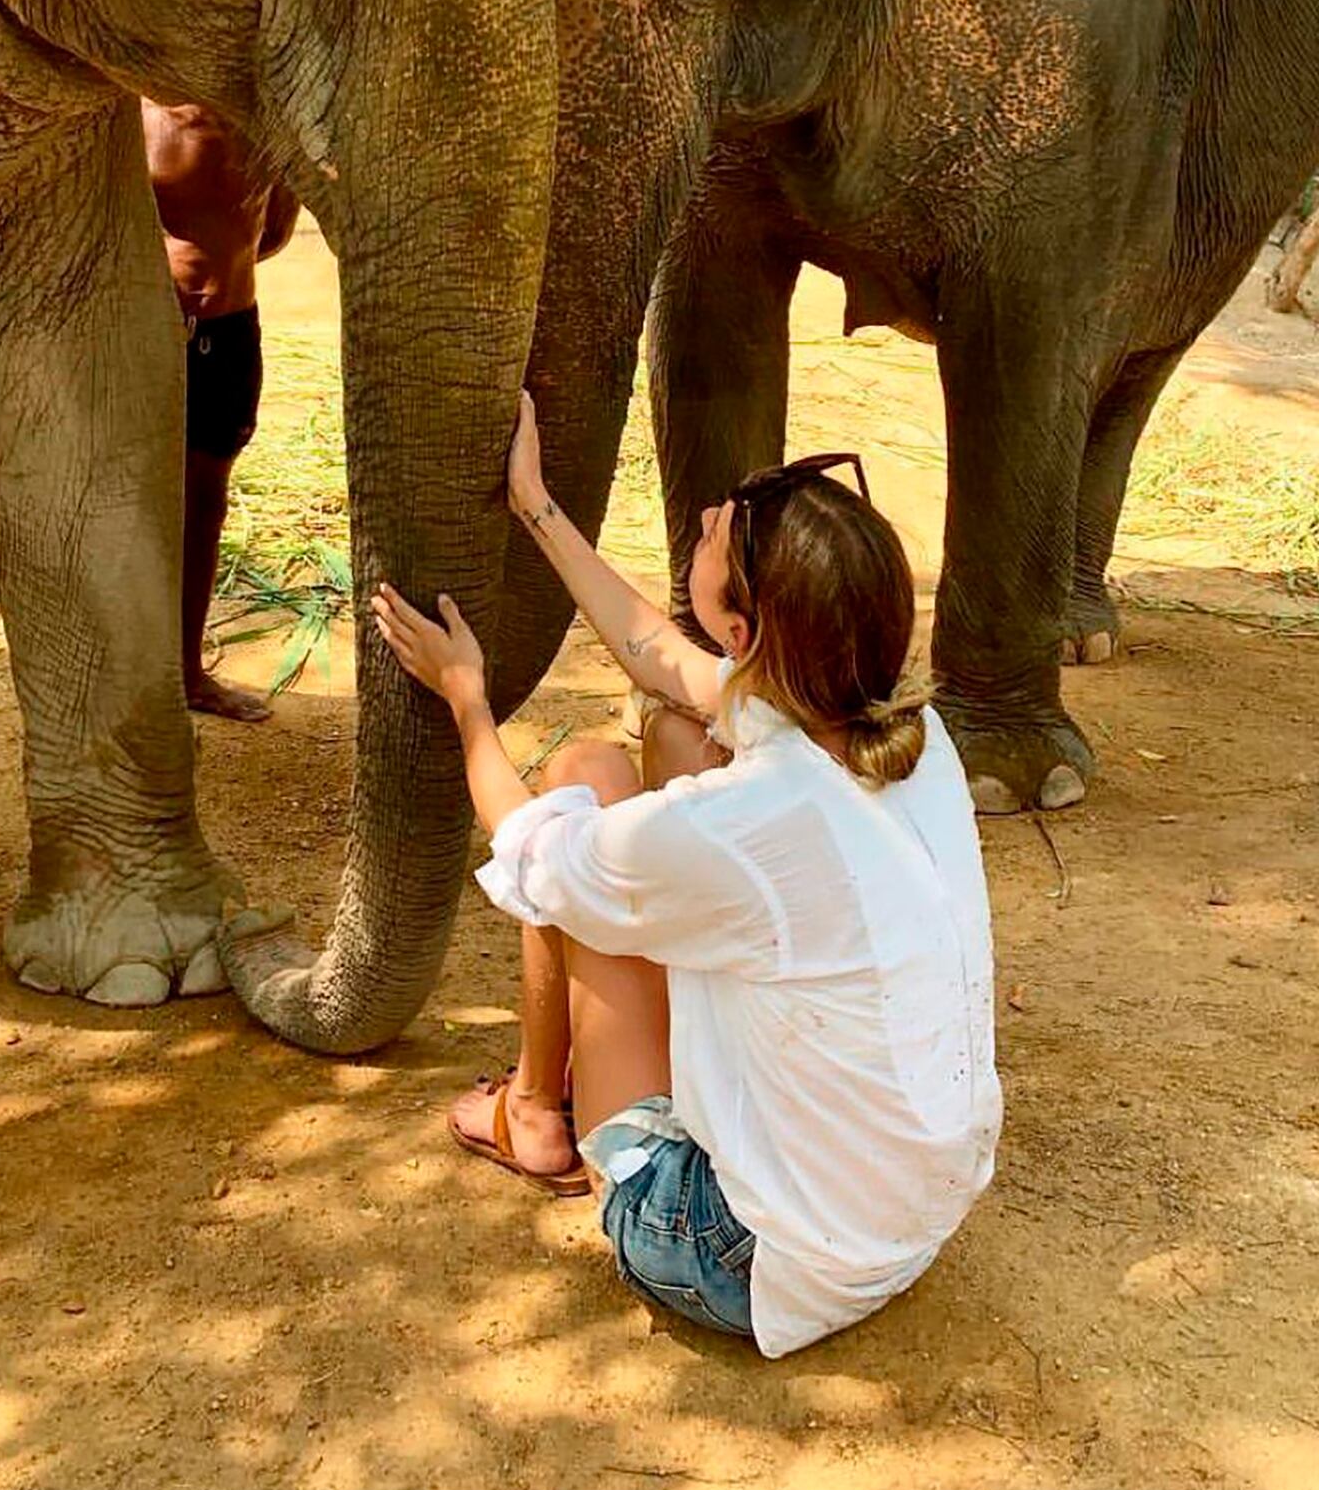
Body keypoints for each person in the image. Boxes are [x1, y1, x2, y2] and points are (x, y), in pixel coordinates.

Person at [371, 395, 1001, 1359]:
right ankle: (551, 1101)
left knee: (583, 775)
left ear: (742, 630)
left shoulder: (752, 819)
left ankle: (536, 1112)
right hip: (906, 1227)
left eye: (719, 532)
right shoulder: (901, 730)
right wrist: (536, 504)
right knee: (670, 731)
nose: (708, 517)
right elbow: (659, 656)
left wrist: (469, 699)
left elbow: (532, 847)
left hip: (738, 1256)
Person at [142, 103, 299, 723]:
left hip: (233, 329)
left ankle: (186, 675)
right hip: (153, 330)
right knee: (138, 505)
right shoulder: (140, 115)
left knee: (205, 503)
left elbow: (277, 232)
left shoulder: (267, 115)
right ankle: (131, 671)